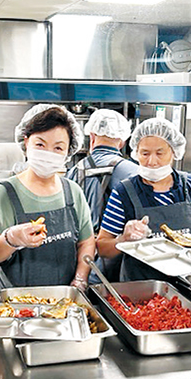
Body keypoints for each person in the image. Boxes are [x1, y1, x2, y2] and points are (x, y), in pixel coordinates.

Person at [95, 118, 191, 281]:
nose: (152, 162)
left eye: (160, 153)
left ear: (174, 152)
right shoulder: (124, 192)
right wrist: (123, 239)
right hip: (143, 290)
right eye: (145, 153)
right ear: (136, 153)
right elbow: (102, 247)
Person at [0, 104, 95, 294]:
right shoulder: (5, 193)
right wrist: (10, 239)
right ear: (26, 141)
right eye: (40, 144)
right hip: (16, 304)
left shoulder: (73, 192)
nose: (48, 153)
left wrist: (80, 280)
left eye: (58, 148)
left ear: (68, 152)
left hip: (63, 301)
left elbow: (86, 242)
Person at [66, 108, 138, 282]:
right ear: (122, 141)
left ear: (91, 137)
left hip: (81, 264)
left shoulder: (73, 172)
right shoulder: (132, 172)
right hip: (116, 267)